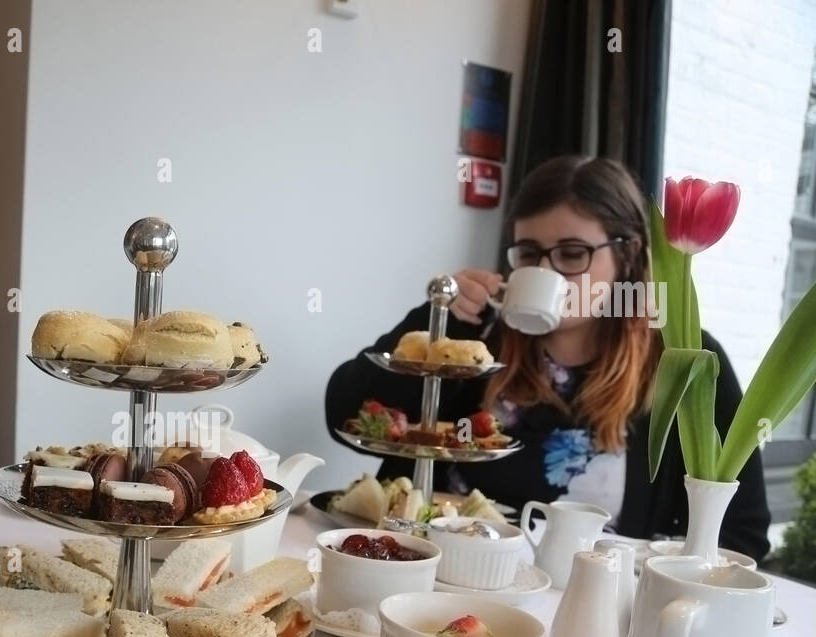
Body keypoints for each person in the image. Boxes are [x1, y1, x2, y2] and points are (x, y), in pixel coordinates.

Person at [325, 155, 770, 561]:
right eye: (530, 254)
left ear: (628, 254)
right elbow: (345, 413)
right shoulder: (476, 342)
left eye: (573, 254)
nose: (547, 272)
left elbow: (740, 534)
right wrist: (442, 321)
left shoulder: (686, 363)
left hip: (587, 611)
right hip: (436, 580)